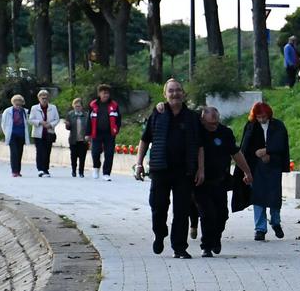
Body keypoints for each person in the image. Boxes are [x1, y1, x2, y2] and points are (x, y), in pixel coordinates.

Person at [135, 78, 204, 258]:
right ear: (165, 94)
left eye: (178, 90)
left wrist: (200, 169)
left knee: (182, 210)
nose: (175, 94)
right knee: (158, 207)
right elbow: (144, 139)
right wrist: (139, 164)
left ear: (183, 93)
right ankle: (160, 234)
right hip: (160, 169)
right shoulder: (157, 113)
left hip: (184, 171)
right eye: (171, 90)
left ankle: (179, 247)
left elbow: (200, 145)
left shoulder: (192, 117)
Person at [195, 106, 251, 257]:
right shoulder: (197, 132)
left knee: (222, 215)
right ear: (201, 119)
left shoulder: (225, 133)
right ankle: (206, 246)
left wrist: (247, 171)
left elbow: (236, 153)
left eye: (215, 114)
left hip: (220, 181)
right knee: (207, 214)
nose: (213, 116)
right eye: (208, 114)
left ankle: (216, 238)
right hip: (201, 182)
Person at [239, 101, 289, 241]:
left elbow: (281, 144)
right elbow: (245, 147)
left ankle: (275, 222)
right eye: (259, 117)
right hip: (256, 167)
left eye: (264, 116)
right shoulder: (251, 126)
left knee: (274, 196)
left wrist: (267, 151)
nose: (261, 119)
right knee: (258, 197)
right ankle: (260, 229)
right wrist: (245, 170)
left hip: (273, 166)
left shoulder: (277, 125)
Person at [87, 84, 120, 179]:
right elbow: (89, 119)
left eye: (107, 93)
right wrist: (87, 133)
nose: (105, 95)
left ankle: (106, 173)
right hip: (96, 132)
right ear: (99, 94)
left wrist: (117, 129)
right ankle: (96, 167)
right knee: (95, 152)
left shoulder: (114, 105)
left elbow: (118, 119)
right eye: (103, 93)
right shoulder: (93, 105)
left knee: (109, 153)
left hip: (109, 133)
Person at [27, 90, 59, 177]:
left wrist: (50, 124)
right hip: (38, 134)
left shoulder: (53, 107)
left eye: (46, 98)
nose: (44, 100)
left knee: (47, 151)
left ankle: (46, 169)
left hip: (49, 133)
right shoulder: (34, 108)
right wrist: (40, 122)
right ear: (39, 98)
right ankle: (40, 169)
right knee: (40, 151)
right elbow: (30, 120)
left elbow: (57, 119)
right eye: (42, 98)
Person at [1, 95, 27, 177]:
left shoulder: (24, 111)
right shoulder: (7, 111)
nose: (18, 105)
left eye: (19, 103)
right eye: (16, 103)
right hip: (12, 135)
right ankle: (14, 171)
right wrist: (6, 133)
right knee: (14, 153)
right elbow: (4, 124)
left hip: (21, 134)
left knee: (19, 153)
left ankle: (18, 171)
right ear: (13, 103)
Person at [64, 97, 90, 177]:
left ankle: (81, 172)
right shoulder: (70, 114)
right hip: (73, 139)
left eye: (79, 106)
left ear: (82, 107)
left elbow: (89, 126)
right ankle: (73, 171)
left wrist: (88, 135)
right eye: (76, 106)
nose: (77, 108)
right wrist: (67, 125)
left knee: (82, 157)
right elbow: (68, 128)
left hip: (83, 140)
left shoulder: (86, 115)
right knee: (73, 156)